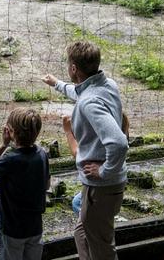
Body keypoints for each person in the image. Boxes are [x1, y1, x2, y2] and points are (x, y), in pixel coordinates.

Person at [41, 41, 128, 260]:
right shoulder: (108, 85)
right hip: (108, 186)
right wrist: (57, 84)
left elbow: (118, 143)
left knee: (102, 249)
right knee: (82, 231)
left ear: (73, 68)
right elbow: (82, 91)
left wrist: (104, 171)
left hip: (101, 186)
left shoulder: (89, 102)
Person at [0, 108, 50, 260]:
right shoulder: (42, 154)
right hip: (35, 227)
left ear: (11, 132)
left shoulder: (10, 159)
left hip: (12, 228)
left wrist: (3, 145)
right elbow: (47, 185)